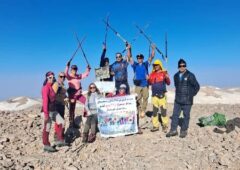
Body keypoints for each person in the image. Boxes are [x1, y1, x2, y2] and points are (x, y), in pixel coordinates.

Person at [166, 59, 200, 138]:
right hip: (178, 100)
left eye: (183, 65)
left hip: (187, 101)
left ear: (185, 66)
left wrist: (191, 95)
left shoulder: (190, 75)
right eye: (180, 65)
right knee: (175, 115)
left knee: (186, 116)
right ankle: (173, 130)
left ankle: (184, 130)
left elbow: (197, 86)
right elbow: (176, 86)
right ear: (178, 66)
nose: (182, 67)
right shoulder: (175, 76)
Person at [128, 44, 155, 119]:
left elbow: (152, 57)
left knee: (146, 97)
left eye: (141, 58)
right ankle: (140, 110)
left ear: (143, 59)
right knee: (138, 98)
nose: (139, 59)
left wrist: (153, 49)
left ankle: (143, 110)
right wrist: (129, 49)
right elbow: (130, 57)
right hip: (138, 84)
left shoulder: (145, 64)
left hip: (145, 84)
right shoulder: (135, 65)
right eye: (138, 58)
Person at [41, 71, 66, 152]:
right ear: (46, 78)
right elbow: (45, 101)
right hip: (47, 111)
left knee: (62, 122)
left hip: (53, 110)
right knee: (47, 128)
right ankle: (46, 145)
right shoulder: (45, 88)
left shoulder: (51, 87)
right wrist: (46, 114)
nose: (52, 79)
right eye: (50, 77)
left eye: (53, 77)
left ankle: (59, 140)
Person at [65, 61, 91, 128]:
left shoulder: (78, 76)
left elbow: (85, 74)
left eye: (75, 69)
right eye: (73, 69)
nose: (74, 70)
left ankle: (85, 116)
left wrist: (88, 69)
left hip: (79, 94)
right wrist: (67, 66)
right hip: (72, 95)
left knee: (86, 102)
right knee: (72, 109)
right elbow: (65, 73)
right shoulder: (69, 77)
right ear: (71, 70)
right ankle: (71, 123)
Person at [148, 59, 171, 132]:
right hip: (154, 96)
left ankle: (165, 125)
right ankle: (155, 126)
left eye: (157, 65)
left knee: (163, 112)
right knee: (155, 112)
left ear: (160, 65)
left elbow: (168, 83)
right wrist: (148, 79)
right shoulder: (151, 74)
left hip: (162, 96)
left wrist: (167, 77)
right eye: (154, 65)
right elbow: (149, 83)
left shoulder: (164, 73)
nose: (156, 66)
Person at [52, 72, 68, 139]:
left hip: (62, 105)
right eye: (61, 76)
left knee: (60, 119)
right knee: (59, 121)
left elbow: (63, 95)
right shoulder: (56, 84)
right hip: (57, 105)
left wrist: (66, 98)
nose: (63, 78)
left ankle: (59, 135)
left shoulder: (63, 85)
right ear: (58, 77)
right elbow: (52, 95)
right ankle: (59, 136)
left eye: (64, 77)